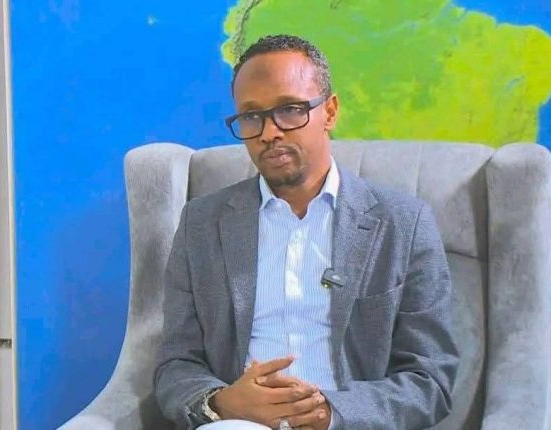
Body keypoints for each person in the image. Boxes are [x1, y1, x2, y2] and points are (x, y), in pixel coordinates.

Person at [153, 34, 459, 430]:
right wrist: (222, 403)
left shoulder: (403, 223)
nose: (269, 132)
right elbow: (176, 363)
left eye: (289, 109)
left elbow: (430, 379)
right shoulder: (202, 223)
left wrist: (328, 412)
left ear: (329, 111)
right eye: (251, 116)